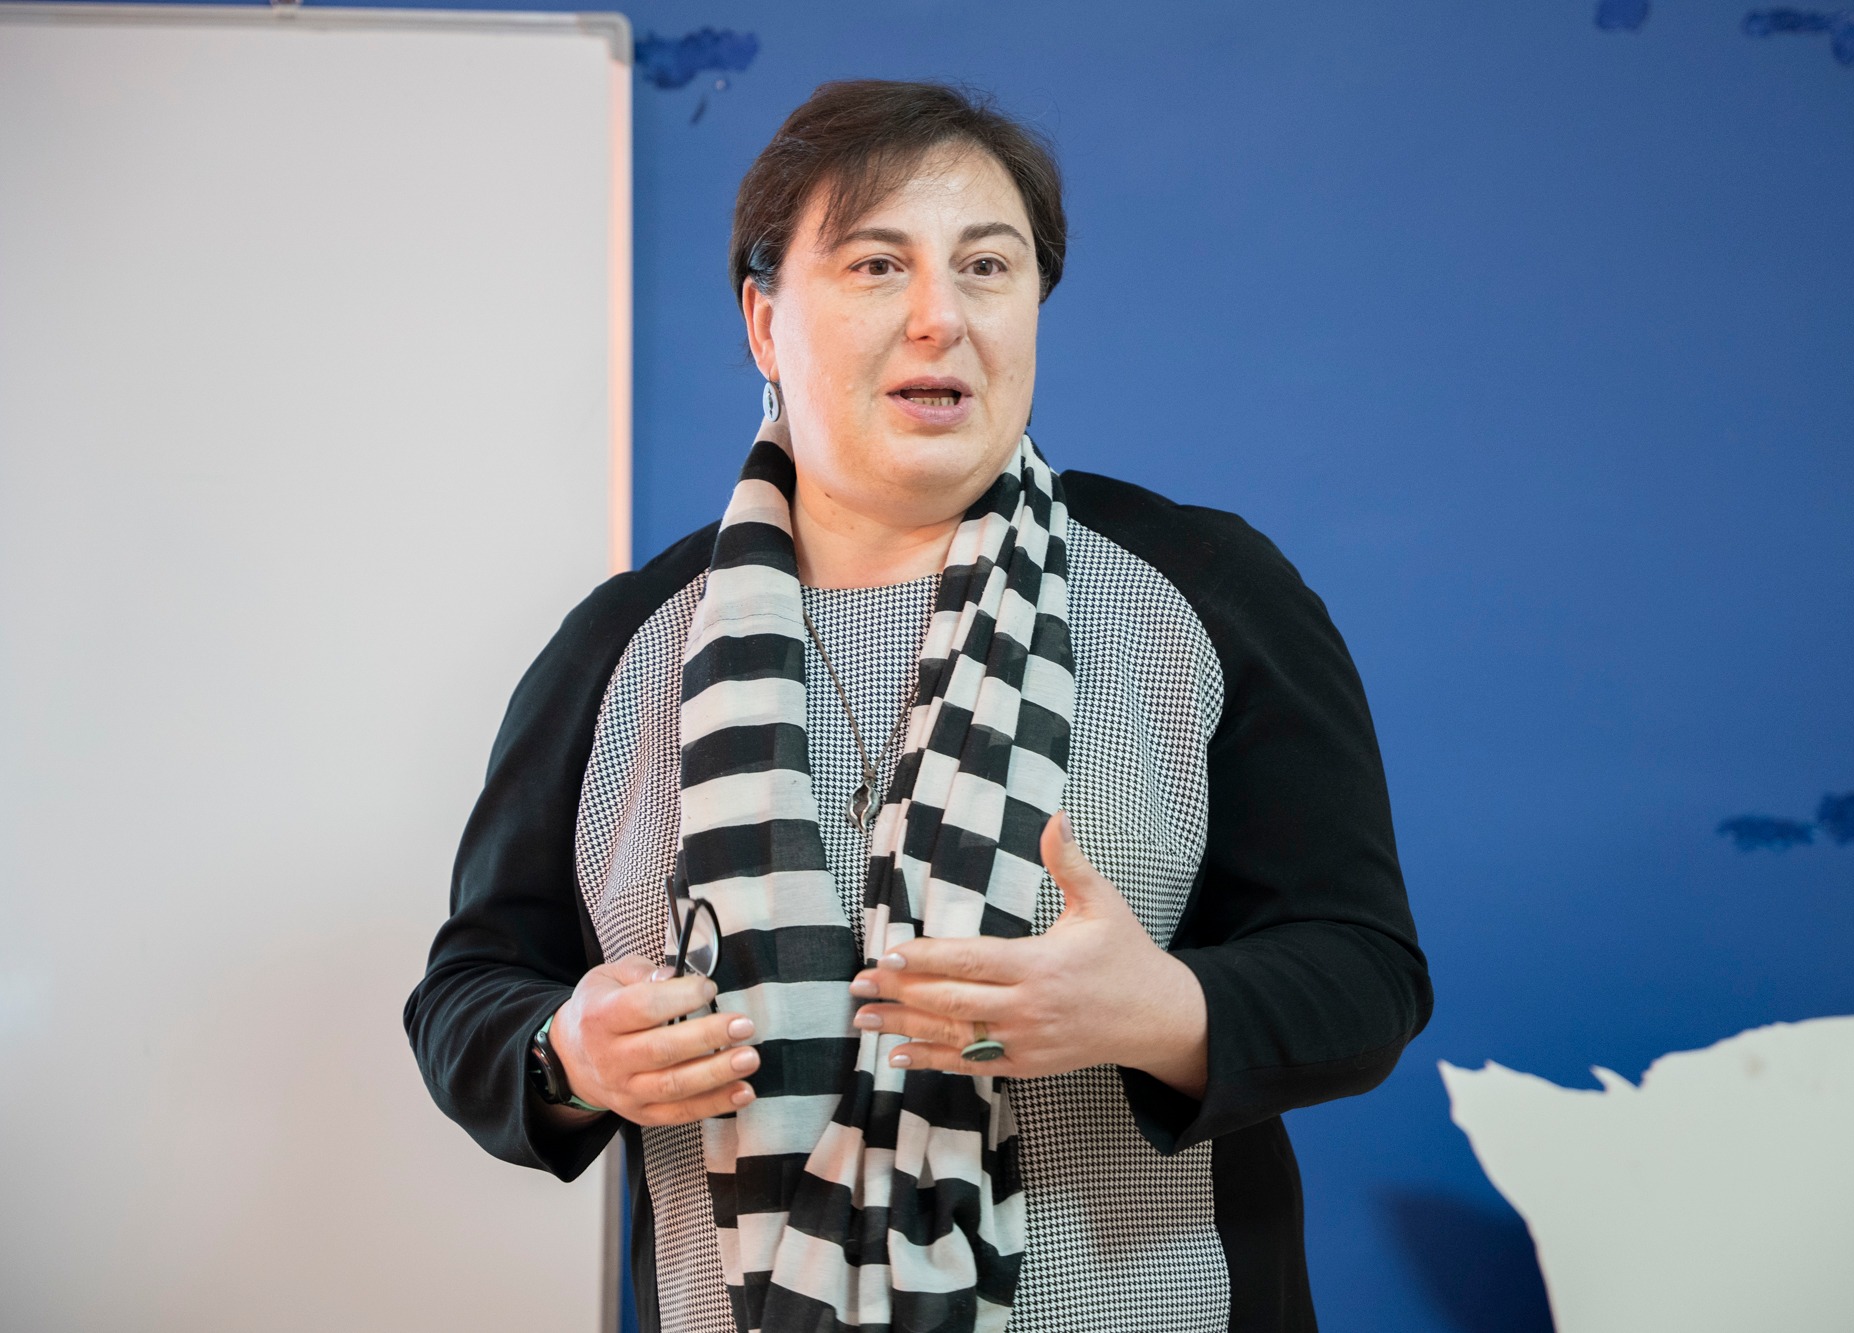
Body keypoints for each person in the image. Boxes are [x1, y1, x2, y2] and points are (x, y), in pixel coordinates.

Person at [404, 78, 1431, 1333]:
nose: (940, 317)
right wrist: (568, 1055)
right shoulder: (620, 644)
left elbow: (1365, 975)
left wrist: (1160, 1012)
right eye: (876, 265)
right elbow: (471, 991)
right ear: (763, 321)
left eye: (986, 267)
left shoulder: (1206, 590)